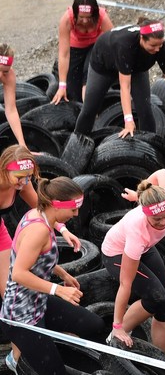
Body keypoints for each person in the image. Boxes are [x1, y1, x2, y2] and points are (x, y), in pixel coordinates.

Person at [0, 177, 105, 375]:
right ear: (56, 205)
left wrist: (62, 272)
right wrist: (58, 289)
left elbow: (35, 257)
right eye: (73, 209)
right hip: (21, 315)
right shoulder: (38, 230)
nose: (76, 214)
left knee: (94, 325)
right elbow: (18, 273)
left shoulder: (39, 214)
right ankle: (16, 362)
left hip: (38, 301)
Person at [0, 146, 81, 371]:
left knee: (9, 290)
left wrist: (63, 230)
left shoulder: (22, 182)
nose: (23, 182)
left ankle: (16, 358)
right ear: (3, 170)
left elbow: (43, 207)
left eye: (28, 176)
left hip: (0, 233)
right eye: (19, 177)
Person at [73, 18, 165, 138]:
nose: (157, 49)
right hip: (103, 65)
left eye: (160, 44)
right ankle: (77, 140)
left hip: (136, 68)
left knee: (145, 109)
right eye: (153, 45)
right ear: (142, 38)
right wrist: (128, 120)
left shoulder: (161, 48)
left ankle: (149, 145)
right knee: (90, 108)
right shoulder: (125, 45)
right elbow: (125, 86)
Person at [101, 169, 165, 355]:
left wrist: (139, 194)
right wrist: (118, 325)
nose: (162, 223)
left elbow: (162, 172)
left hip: (146, 248)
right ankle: (114, 335)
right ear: (145, 214)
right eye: (156, 219)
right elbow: (125, 284)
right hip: (117, 253)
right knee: (156, 296)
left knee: (164, 302)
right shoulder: (136, 230)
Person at [52, 0, 114, 104]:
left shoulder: (102, 17)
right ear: (75, 14)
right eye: (81, 17)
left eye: (88, 17)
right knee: (72, 91)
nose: (85, 21)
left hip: (96, 46)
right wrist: (62, 85)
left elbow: (114, 42)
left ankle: (91, 110)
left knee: (88, 77)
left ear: (94, 14)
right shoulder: (66, 19)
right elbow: (64, 54)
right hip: (75, 48)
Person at [0, 44, 29, 148]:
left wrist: (22, 144)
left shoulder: (9, 76)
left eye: (5, 71)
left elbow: (11, 110)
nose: (0, 75)